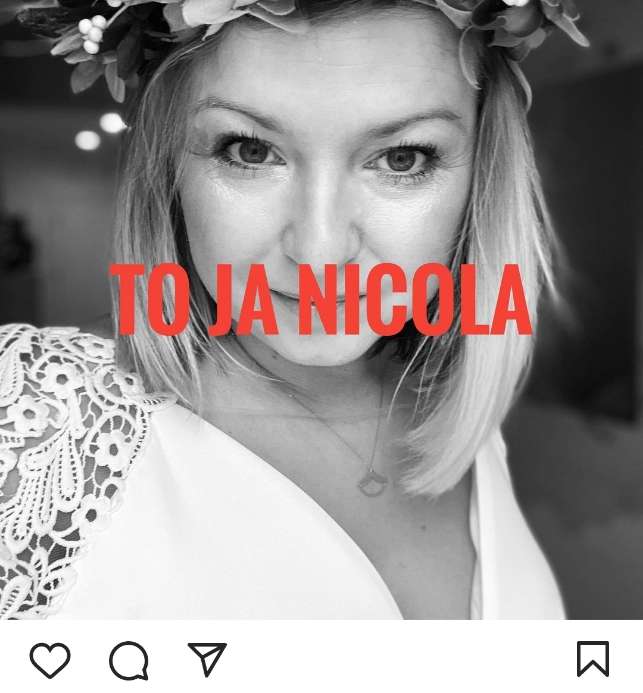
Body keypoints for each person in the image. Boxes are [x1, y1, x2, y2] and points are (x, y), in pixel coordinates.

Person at [0, 0, 590, 620]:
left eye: (402, 158)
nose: (319, 249)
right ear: (168, 164)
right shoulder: (26, 424)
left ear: (482, 178)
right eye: (250, 151)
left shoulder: (461, 422)